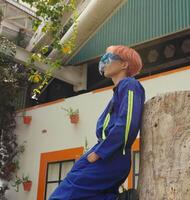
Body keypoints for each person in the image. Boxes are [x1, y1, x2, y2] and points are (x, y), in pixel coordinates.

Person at [49, 45, 145, 200]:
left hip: (112, 156)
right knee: (72, 185)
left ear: (124, 64)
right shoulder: (118, 92)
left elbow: (128, 125)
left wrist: (100, 152)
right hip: (104, 154)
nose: (104, 62)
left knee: (61, 197)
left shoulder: (130, 85)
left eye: (108, 58)